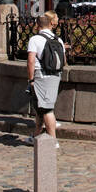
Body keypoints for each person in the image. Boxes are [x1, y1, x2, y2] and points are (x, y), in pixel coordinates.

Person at [26, 11, 66, 147]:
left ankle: (53, 140)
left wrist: (31, 79)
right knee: (41, 108)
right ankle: (36, 136)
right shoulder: (58, 40)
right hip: (55, 75)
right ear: (50, 24)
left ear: (38, 25)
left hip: (41, 76)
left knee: (47, 109)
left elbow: (31, 60)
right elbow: (64, 61)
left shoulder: (35, 39)